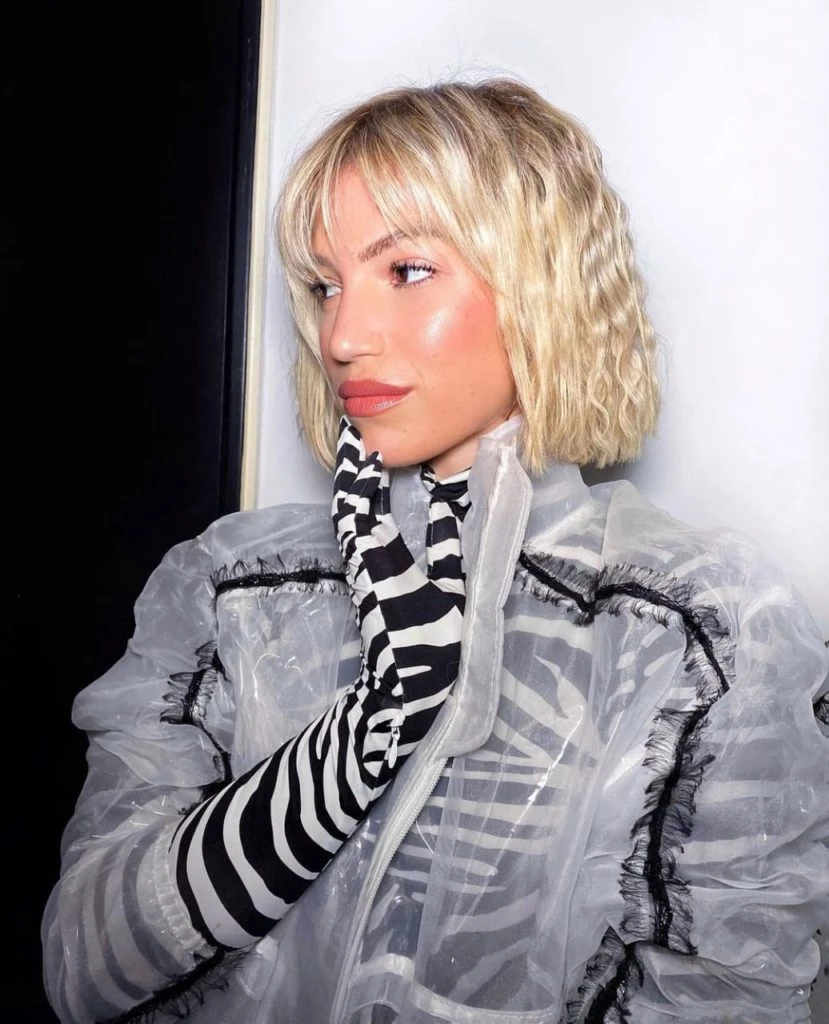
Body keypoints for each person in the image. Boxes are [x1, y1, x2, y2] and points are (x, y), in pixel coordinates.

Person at [42, 78, 828, 1024]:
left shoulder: (698, 624)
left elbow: (731, 993)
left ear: (541, 283)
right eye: (325, 285)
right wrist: (371, 726)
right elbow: (84, 976)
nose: (341, 336)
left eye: (406, 271)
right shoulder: (234, 585)